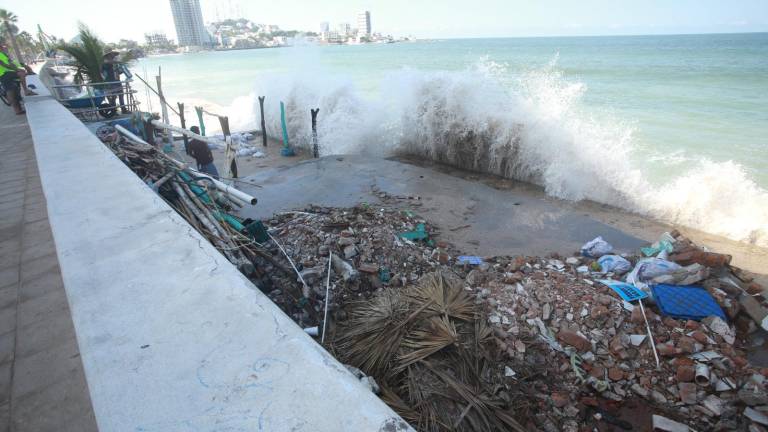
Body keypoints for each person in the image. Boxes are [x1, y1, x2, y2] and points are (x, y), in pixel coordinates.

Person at [0, 42, 36, 115]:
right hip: (3, 74)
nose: (3, 48)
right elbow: (4, 65)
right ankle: (25, 91)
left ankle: (19, 108)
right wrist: (17, 70)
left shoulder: (3, 54)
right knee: (10, 90)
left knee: (15, 87)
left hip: (9, 72)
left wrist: (19, 68)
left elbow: (11, 63)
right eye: (2, 47)